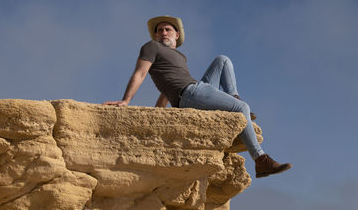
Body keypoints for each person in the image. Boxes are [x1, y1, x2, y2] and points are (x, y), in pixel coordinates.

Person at [103, 15, 292, 178]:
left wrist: (158, 113)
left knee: (222, 60)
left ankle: (234, 99)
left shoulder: (180, 57)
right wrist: (126, 100)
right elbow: (140, 73)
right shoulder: (151, 47)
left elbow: (166, 89)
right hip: (190, 94)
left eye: (167, 29)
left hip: (196, 89)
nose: (163, 33)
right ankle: (261, 160)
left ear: (176, 35)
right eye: (159, 30)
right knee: (242, 109)